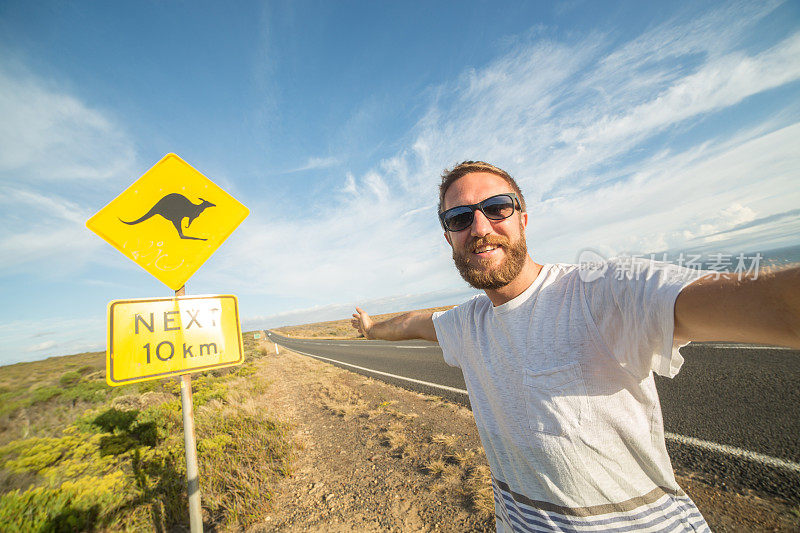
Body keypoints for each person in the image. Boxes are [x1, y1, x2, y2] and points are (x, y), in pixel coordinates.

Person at [351, 161, 799, 532]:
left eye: (497, 208)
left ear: (523, 218)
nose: (480, 227)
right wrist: (371, 328)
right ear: (448, 237)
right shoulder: (468, 323)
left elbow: (770, 302)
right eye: (460, 218)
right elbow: (415, 322)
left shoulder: (601, 292)